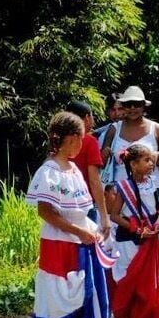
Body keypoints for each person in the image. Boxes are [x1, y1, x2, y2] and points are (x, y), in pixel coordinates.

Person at [26, 111, 109, 318]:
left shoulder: (74, 170)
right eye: (81, 140)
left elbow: (80, 210)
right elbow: (45, 212)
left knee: (85, 301)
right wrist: (78, 231)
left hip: (81, 245)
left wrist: (93, 231)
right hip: (57, 246)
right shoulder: (48, 171)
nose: (82, 144)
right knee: (52, 301)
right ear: (72, 139)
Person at [110, 143, 159, 318]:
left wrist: (158, 223)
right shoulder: (123, 187)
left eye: (151, 160)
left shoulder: (153, 183)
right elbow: (115, 215)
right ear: (133, 165)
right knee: (129, 280)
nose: (151, 163)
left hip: (150, 236)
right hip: (129, 239)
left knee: (148, 281)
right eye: (146, 160)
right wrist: (135, 229)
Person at [101, 86, 159, 196]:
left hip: (152, 189)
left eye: (137, 104)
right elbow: (102, 162)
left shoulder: (157, 129)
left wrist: (158, 157)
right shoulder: (114, 129)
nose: (133, 108)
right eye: (129, 104)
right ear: (123, 106)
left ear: (144, 106)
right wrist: (105, 154)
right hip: (121, 190)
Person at [65, 101, 111, 237]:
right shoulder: (89, 141)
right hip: (83, 204)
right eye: (92, 116)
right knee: (85, 250)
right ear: (86, 117)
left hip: (61, 204)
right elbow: (94, 181)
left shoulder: (58, 142)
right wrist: (104, 216)